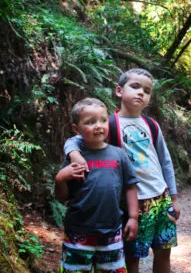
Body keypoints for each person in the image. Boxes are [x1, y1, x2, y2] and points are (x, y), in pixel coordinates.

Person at [64, 69, 180, 273]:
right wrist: (73, 153)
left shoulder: (151, 125)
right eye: (134, 87)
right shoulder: (107, 124)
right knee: (132, 257)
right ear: (119, 91)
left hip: (162, 197)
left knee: (164, 251)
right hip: (135, 202)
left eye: (147, 90)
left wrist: (174, 197)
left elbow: (165, 161)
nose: (140, 93)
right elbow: (75, 139)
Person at [55, 97, 139, 273]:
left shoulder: (119, 155)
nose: (99, 125)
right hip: (77, 232)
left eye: (102, 120)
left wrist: (133, 217)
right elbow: (62, 197)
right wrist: (60, 179)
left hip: (112, 233)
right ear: (76, 129)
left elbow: (130, 186)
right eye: (90, 122)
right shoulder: (73, 158)